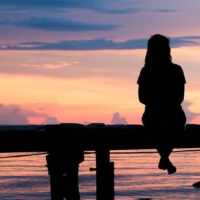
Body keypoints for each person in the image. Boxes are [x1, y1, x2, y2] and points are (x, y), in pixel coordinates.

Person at [137, 34, 186, 174]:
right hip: (174, 114)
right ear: (167, 50)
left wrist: (156, 102)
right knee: (173, 128)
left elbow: (141, 98)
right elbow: (180, 98)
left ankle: (164, 158)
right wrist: (167, 103)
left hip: (153, 114)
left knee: (157, 128)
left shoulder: (146, 71)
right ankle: (165, 158)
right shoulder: (177, 69)